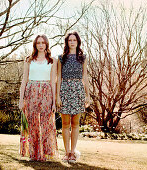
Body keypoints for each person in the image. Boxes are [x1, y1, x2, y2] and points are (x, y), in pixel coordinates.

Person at [19, 34, 58, 161]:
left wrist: (53, 101)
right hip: (31, 92)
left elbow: (53, 82)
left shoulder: (52, 61)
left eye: (43, 43)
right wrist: (21, 99)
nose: (41, 45)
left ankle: (45, 153)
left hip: (46, 92)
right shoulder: (29, 60)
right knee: (32, 124)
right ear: (35, 45)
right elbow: (24, 79)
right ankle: (33, 153)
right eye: (38, 43)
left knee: (46, 124)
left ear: (46, 44)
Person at [56, 31, 90, 163]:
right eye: (70, 40)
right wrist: (57, 96)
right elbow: (58, 77)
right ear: (67, 42)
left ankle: (73, 153)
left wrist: (88, 95)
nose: (72, 42)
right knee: (65, 124)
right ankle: (66, 152)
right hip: (65, 90)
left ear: (78, 42)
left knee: (75, 124)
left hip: (78, 91)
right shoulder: (61, 58)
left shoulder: (83, 58)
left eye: (74, 40)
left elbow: (85, 77)